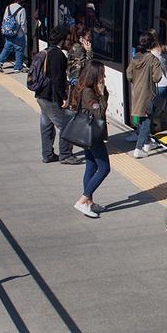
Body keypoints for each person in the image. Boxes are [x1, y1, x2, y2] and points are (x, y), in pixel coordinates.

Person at [36, 25, 81, 165]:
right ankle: (66, 155)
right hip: (51, 97)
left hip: (41, 95)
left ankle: (47, 154)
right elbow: (58, 79)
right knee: (67, 125)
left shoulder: (46, 51)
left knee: (46, 124)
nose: (68, 40)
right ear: (62, 39)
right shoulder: (58, 55)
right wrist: (64, 97)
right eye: (67, 38)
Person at [70, 60, 110, 218]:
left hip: (88, 135)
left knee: (91, 166)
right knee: (104, 168)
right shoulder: (88, 92)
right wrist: (102, 95)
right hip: (92, 135)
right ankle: (83, 200)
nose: (104, 76)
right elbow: (98, 113)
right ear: (95, 75)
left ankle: (89, 202)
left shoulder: (86, 88)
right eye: (102, 73)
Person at [126, 32, 162, 158]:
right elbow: (157, 78)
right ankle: (139, 148)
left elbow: (129, 74)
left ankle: (147, 143)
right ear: (152, 44)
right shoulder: (153, 60)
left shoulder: (135, 58)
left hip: (137, 93)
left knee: (142, 119)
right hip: (148, 94)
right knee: (146, 121)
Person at [0, 0, 28, 73]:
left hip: (8, 31)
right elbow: (23, 23)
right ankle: (18, 67)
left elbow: (5, 18)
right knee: (19, 49)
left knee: (7, 47)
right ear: (23, 2)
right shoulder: (22, 9)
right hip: (18, 34)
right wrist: (25, 33)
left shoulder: (8, 7)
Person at [148, 28, 167, 123]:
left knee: (149, 107)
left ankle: (143, 129)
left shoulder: (152, 53)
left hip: (159, 85)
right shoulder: (166, 48)